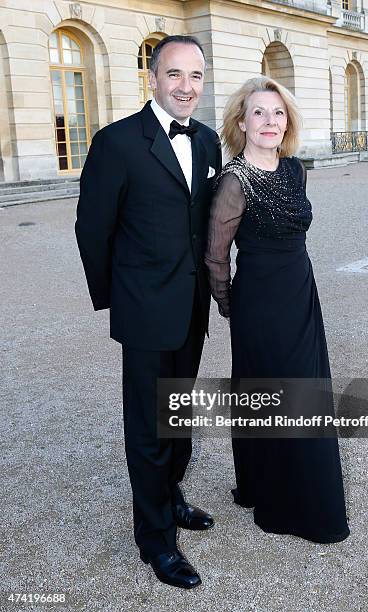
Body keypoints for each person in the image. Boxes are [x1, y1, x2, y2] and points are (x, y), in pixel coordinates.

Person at [75, 35, 222, 589]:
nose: (186, 87)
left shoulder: (207, 142)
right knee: (148, 425)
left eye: (195, 77)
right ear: (153, 78)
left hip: (191, 305)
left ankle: (171, 494)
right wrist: (120, 299)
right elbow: (92, 229)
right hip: (144, 310)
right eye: (175, 75)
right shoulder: (116, 142)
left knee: (179, 414)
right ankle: (155, 540)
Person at [205, 77, 350, 544]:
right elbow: (216, 255)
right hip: (260, 303)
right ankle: (284, 501)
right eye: (259, 113)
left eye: (278, 112)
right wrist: (232, 306)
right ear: (241, 122)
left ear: (287, 121)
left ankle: (288, 487)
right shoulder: (232, 180)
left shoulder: (295, 169)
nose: (270, 121)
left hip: (301, 291)